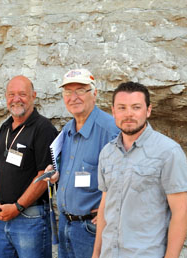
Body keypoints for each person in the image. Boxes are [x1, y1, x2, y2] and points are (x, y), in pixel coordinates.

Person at [92, 82, 187, 258]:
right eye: (122, 108)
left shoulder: (168, 152)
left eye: (136, 107)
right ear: (113, 111)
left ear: (148, 110)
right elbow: (105, 206)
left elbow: (181, 213)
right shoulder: (106, 153)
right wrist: (96, 254)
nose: (129, 114)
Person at [46, 68, 120, 258]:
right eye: (68, 92)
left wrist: (110, 214)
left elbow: (127, 178)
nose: (74, 97)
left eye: (80, 90)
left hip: (91, 229)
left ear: (94, 93)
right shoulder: (68, 129)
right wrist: (57, 174)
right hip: (65, 223)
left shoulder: (111, 129)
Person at [0, 75, 58, 258]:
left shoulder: (43, 128)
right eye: (11, 94)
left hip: (30, 218)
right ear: (6, 97)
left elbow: (45, 176)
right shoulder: (5, 127)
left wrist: (18, 207)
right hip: (3, 218)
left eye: (22, 94)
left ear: (33, 96)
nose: (16, 99)